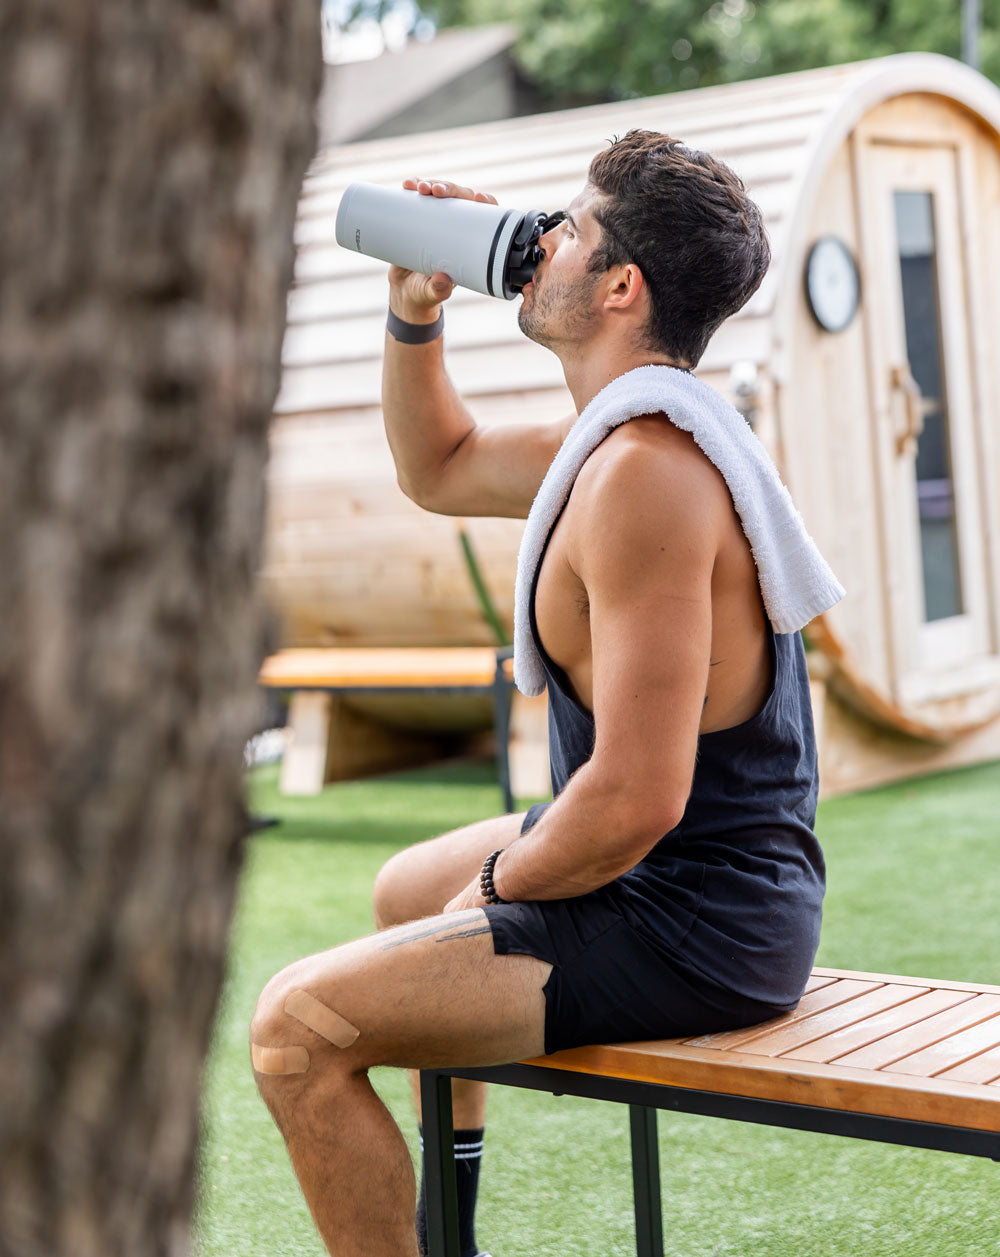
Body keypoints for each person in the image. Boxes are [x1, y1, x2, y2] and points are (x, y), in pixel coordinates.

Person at [250, 131, 827, 1257]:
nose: (539, 242)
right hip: (677, 873)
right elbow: (442, 466)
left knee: (297, 1026)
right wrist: (415, 309)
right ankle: (450, 1237)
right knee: (399, 889)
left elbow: (632, 804)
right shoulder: (609, 444)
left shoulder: (648, 478)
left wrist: (494, 894)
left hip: (699, 918)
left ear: (619, 287)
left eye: (569, 227)